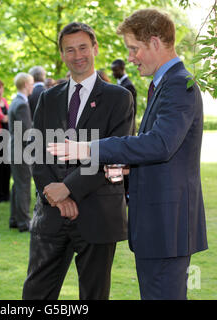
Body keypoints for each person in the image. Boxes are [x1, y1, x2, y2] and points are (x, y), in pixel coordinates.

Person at [47, 9, 208, 300]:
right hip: (158, 226)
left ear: (155, 43)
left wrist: (88, 148)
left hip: (166, 226)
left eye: (134, 48)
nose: (131, 57)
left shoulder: (177, 84)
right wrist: (128, 170)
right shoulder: (164, 83)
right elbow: (163, 153)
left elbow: (160, 144)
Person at [22, 22, 134, 300]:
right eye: (69, 50)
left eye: (83, 47)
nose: (77, 55)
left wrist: (69, 188)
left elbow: (114, 153)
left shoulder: (119, 98)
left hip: (99, 213)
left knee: (94, 295)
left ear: (95, 48)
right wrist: (57, 195)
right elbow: (37, 151)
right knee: (34, 294)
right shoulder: (48, 98)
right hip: (51, 213)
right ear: (62, 55)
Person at [8, 72, 34, 232]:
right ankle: (24, 222)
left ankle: (14, 219)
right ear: (25, 85)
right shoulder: (22, 104)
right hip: (22, 150)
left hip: (15, 148)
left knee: (17, 186)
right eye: (31, 84)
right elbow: (26, 133)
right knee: (23, 185)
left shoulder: (16, 101)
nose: (32, 87)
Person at [111, 59, 137, 133]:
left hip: (126, 128)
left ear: (122, 69)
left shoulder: (128, 86)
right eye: (112, 70)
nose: (113, 73)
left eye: (115, 70)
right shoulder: (120, 84)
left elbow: (132, 110)